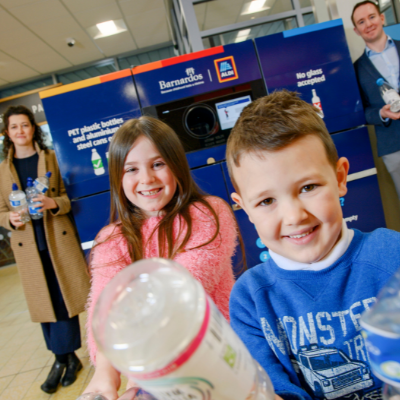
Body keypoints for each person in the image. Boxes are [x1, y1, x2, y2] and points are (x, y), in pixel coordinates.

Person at [227, 91, 400, 400]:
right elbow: (271, 390)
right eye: (266, 201)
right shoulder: (250, 300)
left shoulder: (391, 256)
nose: (294, 216)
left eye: (308, 187)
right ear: (245, 208)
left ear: (340, 177)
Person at [83, 116, 238, 400]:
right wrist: (106, 374)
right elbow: (104, 310)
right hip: (151, 374)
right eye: (131, 169)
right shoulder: (111, 239)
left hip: (220, 359)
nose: (147, 179)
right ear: (118, 177)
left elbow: (182, 290)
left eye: (158, 164)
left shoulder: (210, 214)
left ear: (176, 165)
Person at [0, 105, 90, 394]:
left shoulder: (51, 159)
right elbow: (0, 211)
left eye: (25, 125)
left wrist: (54, 204)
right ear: (7, 133)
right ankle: (66, 359)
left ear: (33, 128)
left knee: (63, 298)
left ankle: (60, 360)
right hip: (28, 246)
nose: (20, 131)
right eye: (14, 127)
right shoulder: (2, 171)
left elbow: (69, 198)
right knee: (44, 303)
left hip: (57, 242)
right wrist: (9, 219)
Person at [353, 1, 400, 202]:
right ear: (356, 30)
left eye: (372, 17)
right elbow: (361, 111)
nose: (368, 24)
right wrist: (382, 113)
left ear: (382, 18)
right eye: (361, 21)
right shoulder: (356, 69)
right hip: (393, 145)